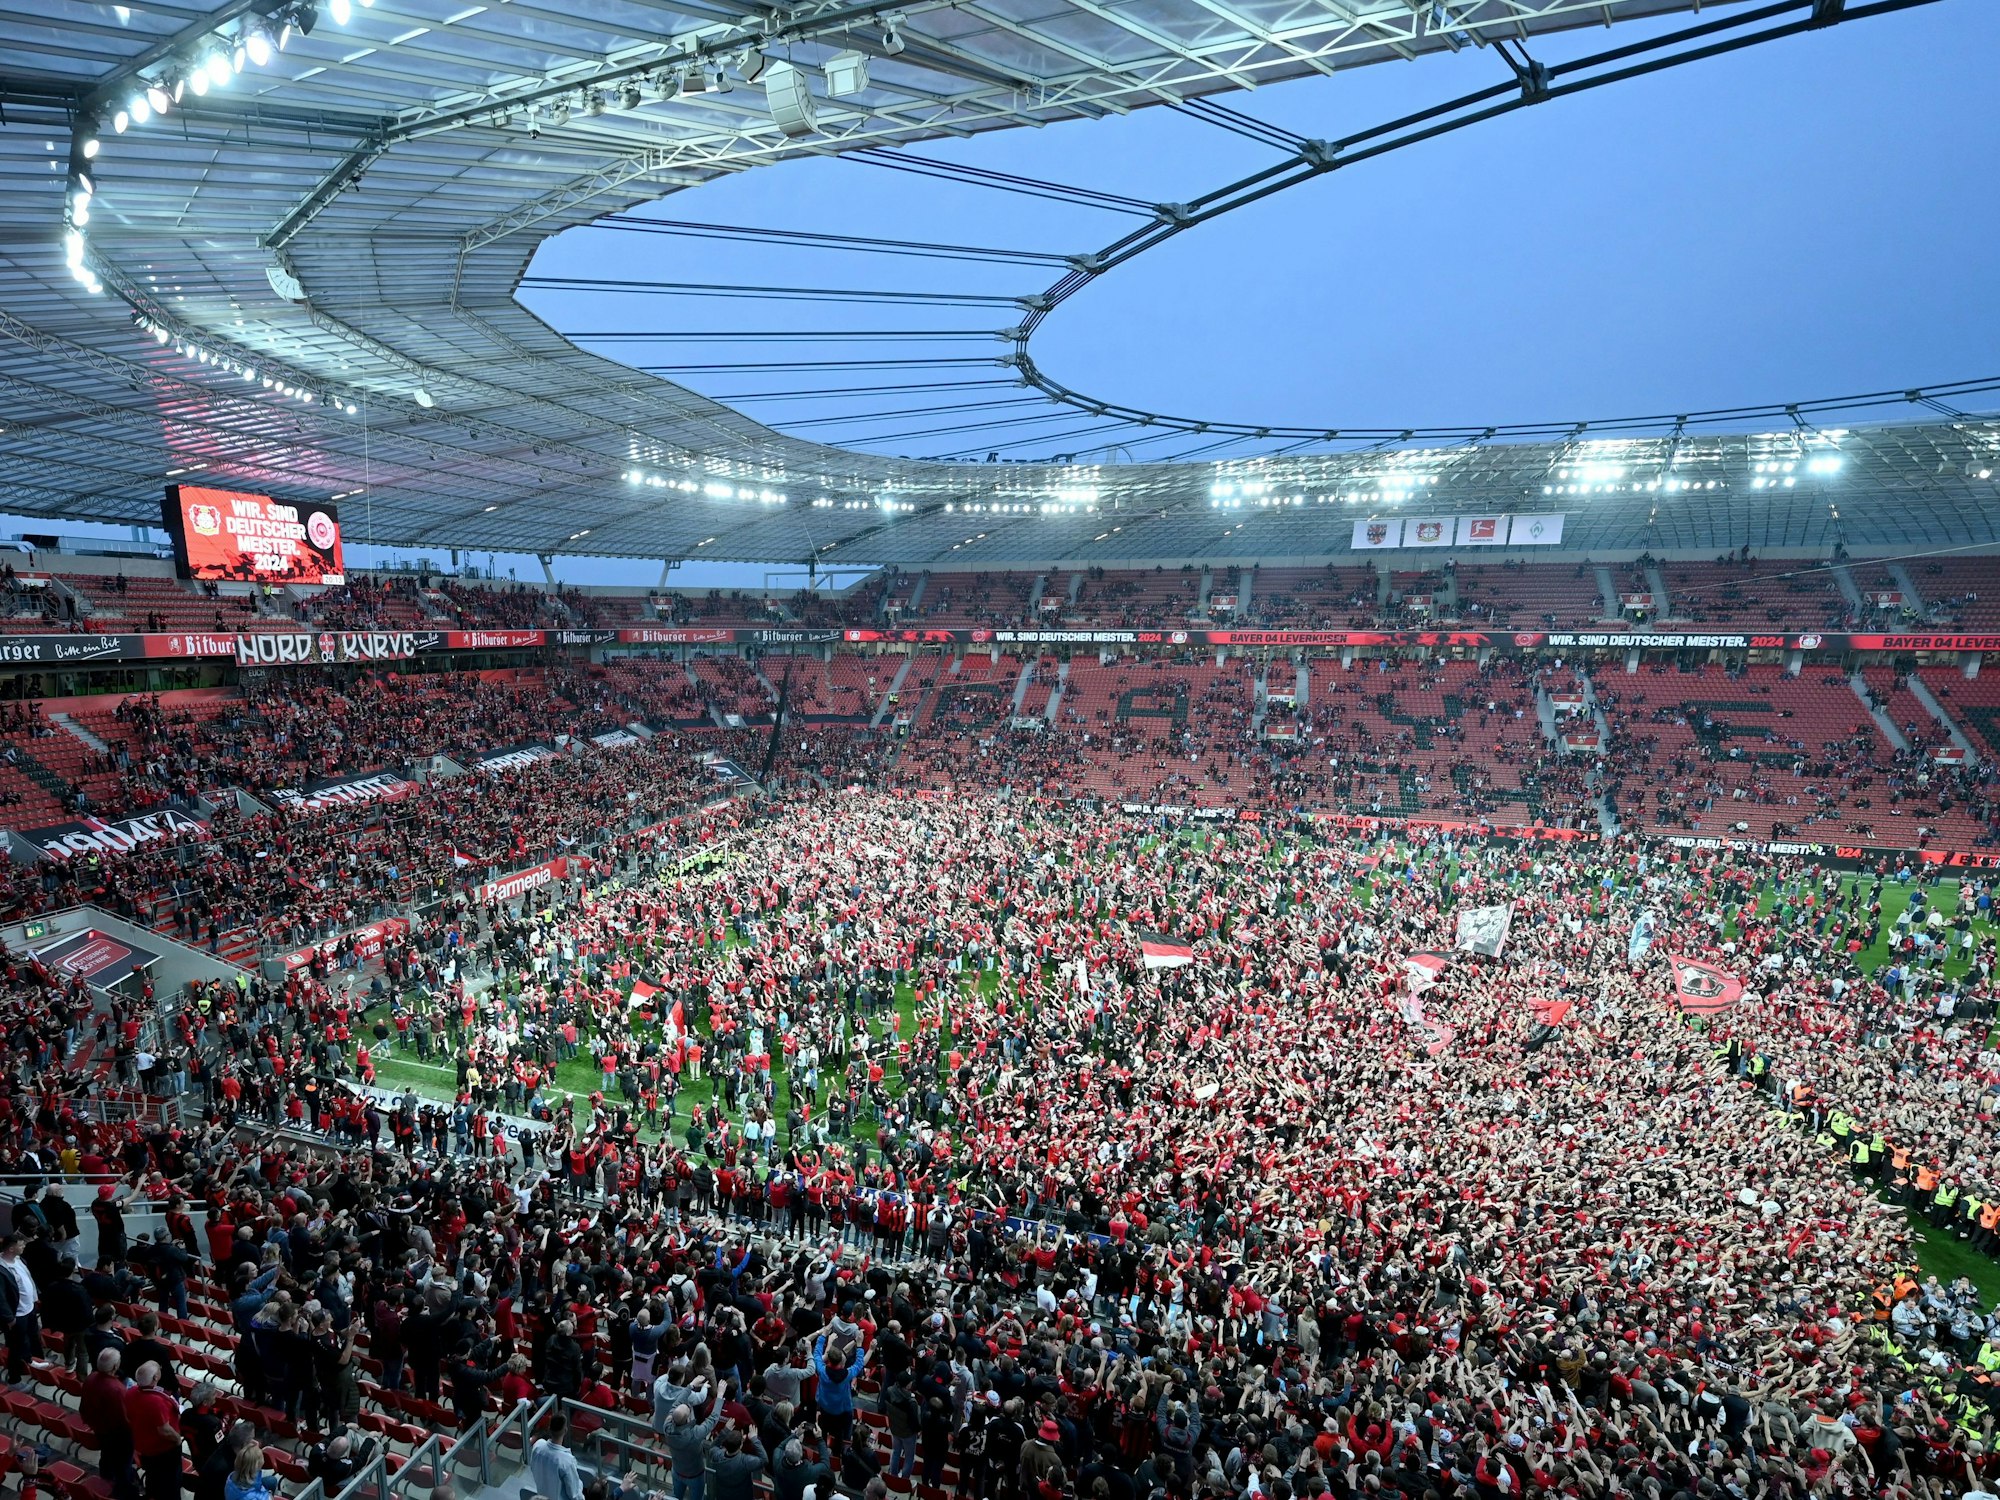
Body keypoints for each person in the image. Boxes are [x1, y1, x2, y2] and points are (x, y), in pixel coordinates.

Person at [125, 1361, 184, 1500]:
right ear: (155, 1378)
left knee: (153, 1477)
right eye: (159, 1370)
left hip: (144, 1446)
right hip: (163, 1450)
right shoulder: (156, 1402)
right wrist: (177, 1439)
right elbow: (164, 1430)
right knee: (171, 1483)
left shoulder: (131, 1392)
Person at [83, 1347, 135, 1500]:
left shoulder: (91, 1378)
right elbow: (123, 1417)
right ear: (114, 1367)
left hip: (99, 1427)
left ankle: (105, 1475)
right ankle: (123, 1490)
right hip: (117, 1433)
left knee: (106, 1453)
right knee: (123, 1463)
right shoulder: (117, 1389)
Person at [0, 1234, 42, 1383]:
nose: (24, 1246)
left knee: (33, 1336)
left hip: (28, 1308)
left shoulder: (18, 1259)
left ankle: (33, 1361)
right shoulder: (1, 1269)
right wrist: (9, 1318)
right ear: (11, 1248)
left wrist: (35, 1296)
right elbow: (1, 1298)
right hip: (16, 1314)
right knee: (16, 1347)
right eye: (21, 1244)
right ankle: (14, 1379)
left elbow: (27, 1278)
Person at [529, 1414, 585, 1500]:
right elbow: (575, 1495)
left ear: (549, 1429)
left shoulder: (537, 1446)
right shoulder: (567, 1461)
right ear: (565, 1430)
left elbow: (533, 1468)